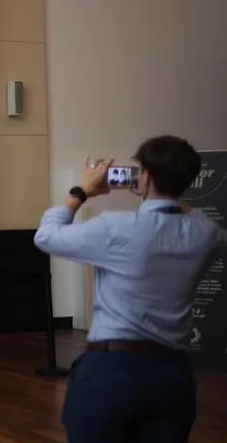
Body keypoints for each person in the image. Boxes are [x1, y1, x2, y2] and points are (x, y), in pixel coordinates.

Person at [34, 135, 227, 443]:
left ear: (145, 176)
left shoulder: (116, 227)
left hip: (112, 372)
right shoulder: (207, 234)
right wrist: (165, 191)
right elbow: (193, 215)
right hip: (173, 374)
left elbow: (46, 235)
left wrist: (81, 190)